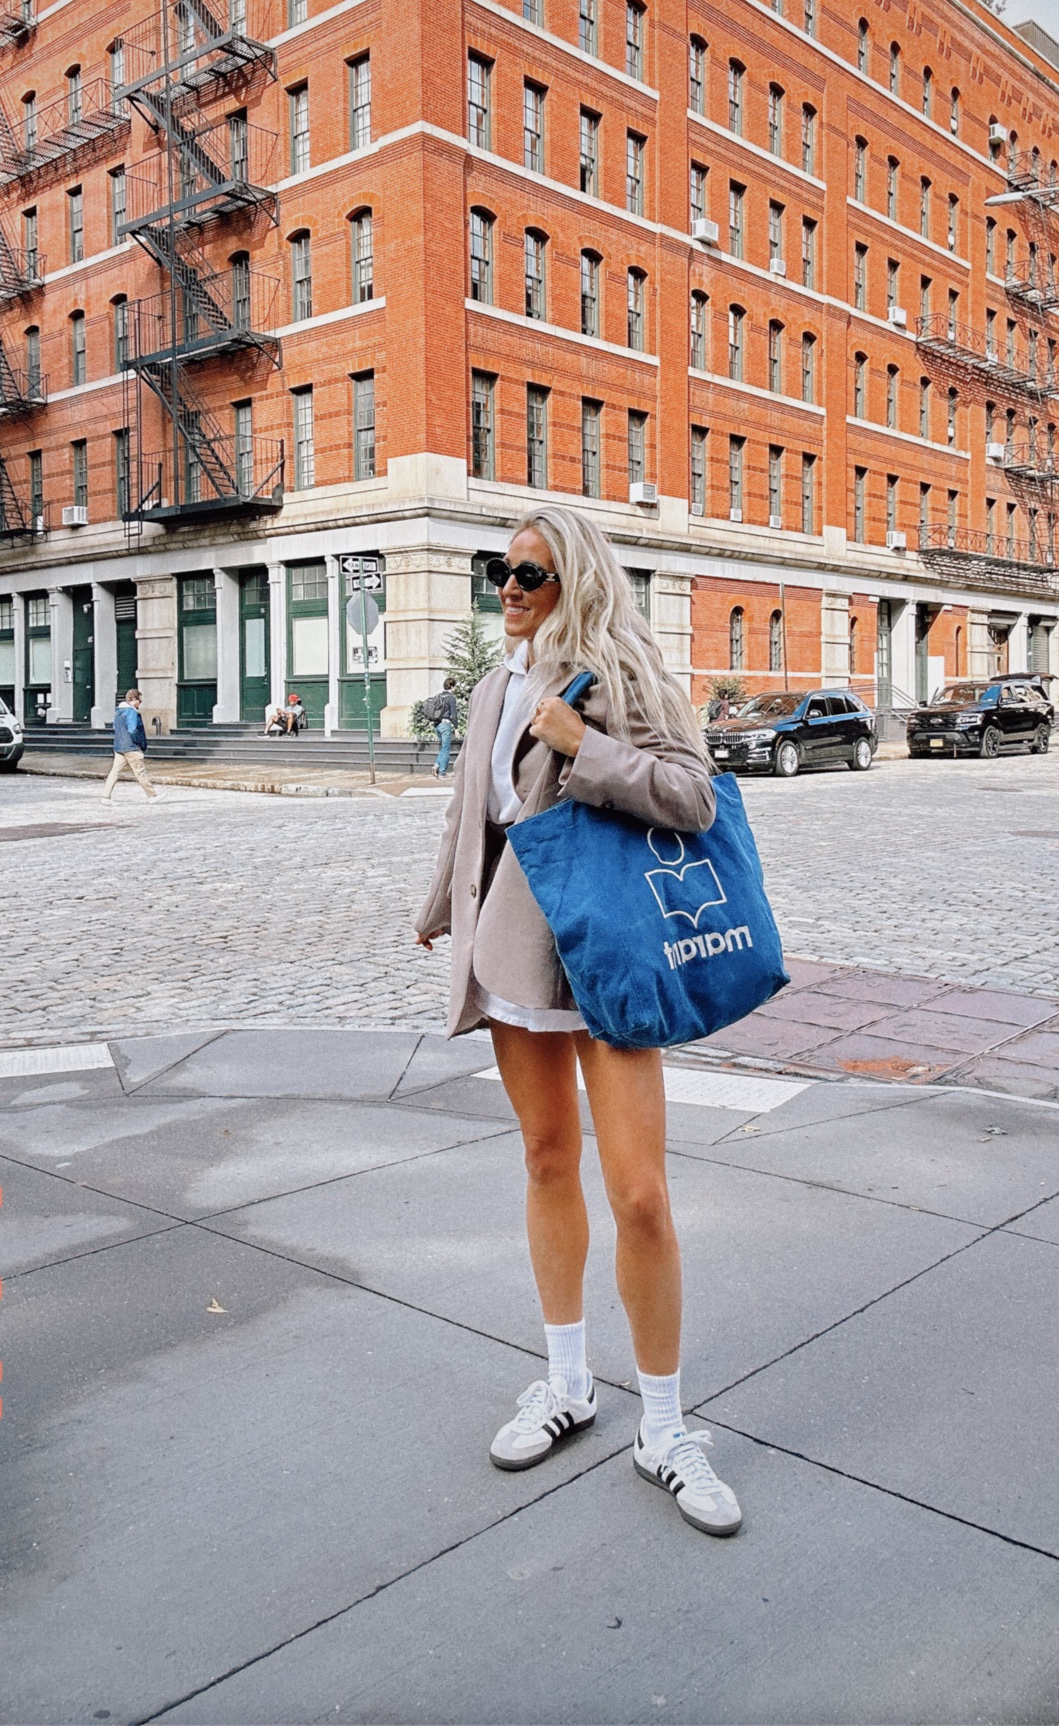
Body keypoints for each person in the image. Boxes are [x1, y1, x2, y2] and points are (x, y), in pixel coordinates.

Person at [414, 505, 741, 1537]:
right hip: (512, 941)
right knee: (549, 1158)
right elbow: (473, 813)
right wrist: (436, 911)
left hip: (604, 944)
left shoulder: (626, 675)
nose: (508, 589)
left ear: (578, 582)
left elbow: (693, 796)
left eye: (530, 574)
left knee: (640, 1190)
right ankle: (566, 1380)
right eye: (498, 571)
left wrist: (586, 744)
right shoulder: (493, 686)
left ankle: (667, 1427)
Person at [102, 688, 156, 801]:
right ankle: (152, 796)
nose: (140, 704)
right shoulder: (131, 712)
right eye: (139, 701)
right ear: (134, 699)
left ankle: (105, 797)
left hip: (119, 746)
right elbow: (132, 730)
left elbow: (115, 728)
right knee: (140, 772)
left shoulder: (118, 712)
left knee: (114, 772)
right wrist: (139, 743)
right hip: (131, 747)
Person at [430, 675, 460, 777]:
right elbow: (454, 714)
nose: (455, 689)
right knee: (446, 748)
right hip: (445, 725)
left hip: (437, 724)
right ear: (451, 687)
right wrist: (456, 728)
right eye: (455, 686)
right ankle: (442, 772)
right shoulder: (451, 698)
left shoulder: (438, 696)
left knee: (443, 747)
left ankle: (436, 765)